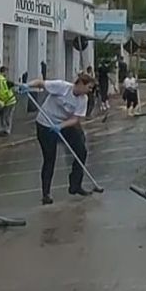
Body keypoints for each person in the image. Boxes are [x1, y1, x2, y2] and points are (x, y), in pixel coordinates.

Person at [19, 73, 95, 205]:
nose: (90, 90)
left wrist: (60, 126)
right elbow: (40, 83)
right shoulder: (62, 87)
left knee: (81, 151)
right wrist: (27, 85)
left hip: (64, 124)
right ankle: (46, 194)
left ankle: (75, 185)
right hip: (45, 124)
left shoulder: (83, 99)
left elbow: (76, 119)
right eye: (89, 87)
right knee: (49, 158)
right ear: (81, 84)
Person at [0, 67, 18, 136]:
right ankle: (2, 129)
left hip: (10, 102)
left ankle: (6, 130)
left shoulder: (3, 82)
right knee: (1, 115)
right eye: (6, 72)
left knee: (7, 116)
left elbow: (12, 84)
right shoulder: (1, 81)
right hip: (3, 102)